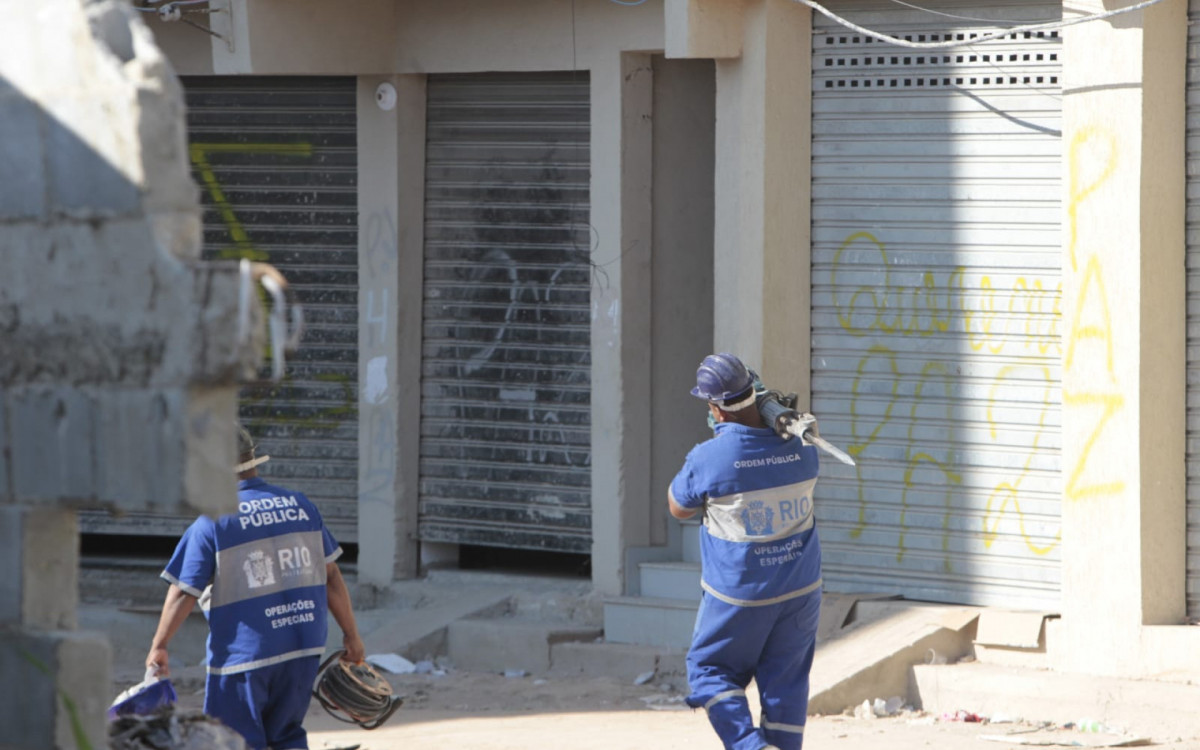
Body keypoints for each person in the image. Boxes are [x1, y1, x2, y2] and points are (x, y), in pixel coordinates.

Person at [145, 424, 365, 750]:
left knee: (234, 741)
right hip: (304, 650)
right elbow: (332, 577)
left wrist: (159, 644)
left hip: (246, 657)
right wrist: (352, 635)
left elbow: (182, 592)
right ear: (253, 460)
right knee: (287, 737)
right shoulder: (301, 505)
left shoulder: (213, 523)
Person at [668, 353, 823, 750]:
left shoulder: (709, 458)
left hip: (740, 595)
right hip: (801, 589)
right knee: (786, 682)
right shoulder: (804, 448)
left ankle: (749, 746)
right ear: (755, 394)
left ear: (715, 408)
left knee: (708, 670)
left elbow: (677, 506)